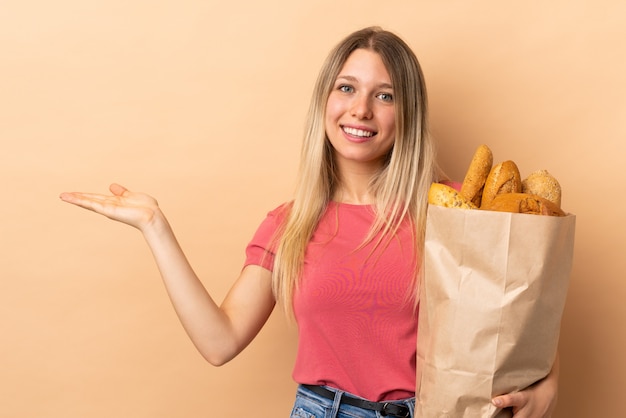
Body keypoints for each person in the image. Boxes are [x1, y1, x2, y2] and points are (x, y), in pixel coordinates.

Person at [60, 26, 559, 418]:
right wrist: (155, 227)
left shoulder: (452, 211)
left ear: (408, 112)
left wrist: (548, 386)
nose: (360, 109)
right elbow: (219, 342)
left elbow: (514, 319)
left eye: (384, 95)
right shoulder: (290, 224)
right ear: (326, 99)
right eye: (347, 88)